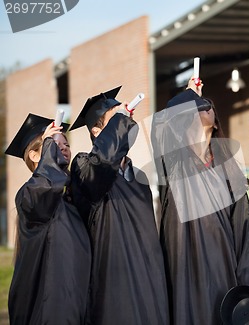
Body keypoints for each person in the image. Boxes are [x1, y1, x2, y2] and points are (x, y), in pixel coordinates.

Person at [151, 77, 249, 325]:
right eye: (195, 107)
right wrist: (188, 98)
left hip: (224, 269)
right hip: (183, 269)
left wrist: (247, 286)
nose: (202, 108)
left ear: (215, 120)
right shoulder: (174, 163)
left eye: (206, 105)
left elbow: (244, 233)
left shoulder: (229, 170)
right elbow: (159, 125)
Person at [68, 86, 169, 325]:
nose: (126, 119)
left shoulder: (140, 179)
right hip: (113, 290)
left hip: (149, 286)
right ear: (96, 130)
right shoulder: (84, 168)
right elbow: (103, 162)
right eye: (116, 118)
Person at [5, 114, 91, 324]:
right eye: (54, 144)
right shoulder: (31, 195)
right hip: (53, 309)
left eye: (66, 144)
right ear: (36, 156)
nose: (63, 148)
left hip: (79, 303)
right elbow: (43, 186)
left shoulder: (68, 198)